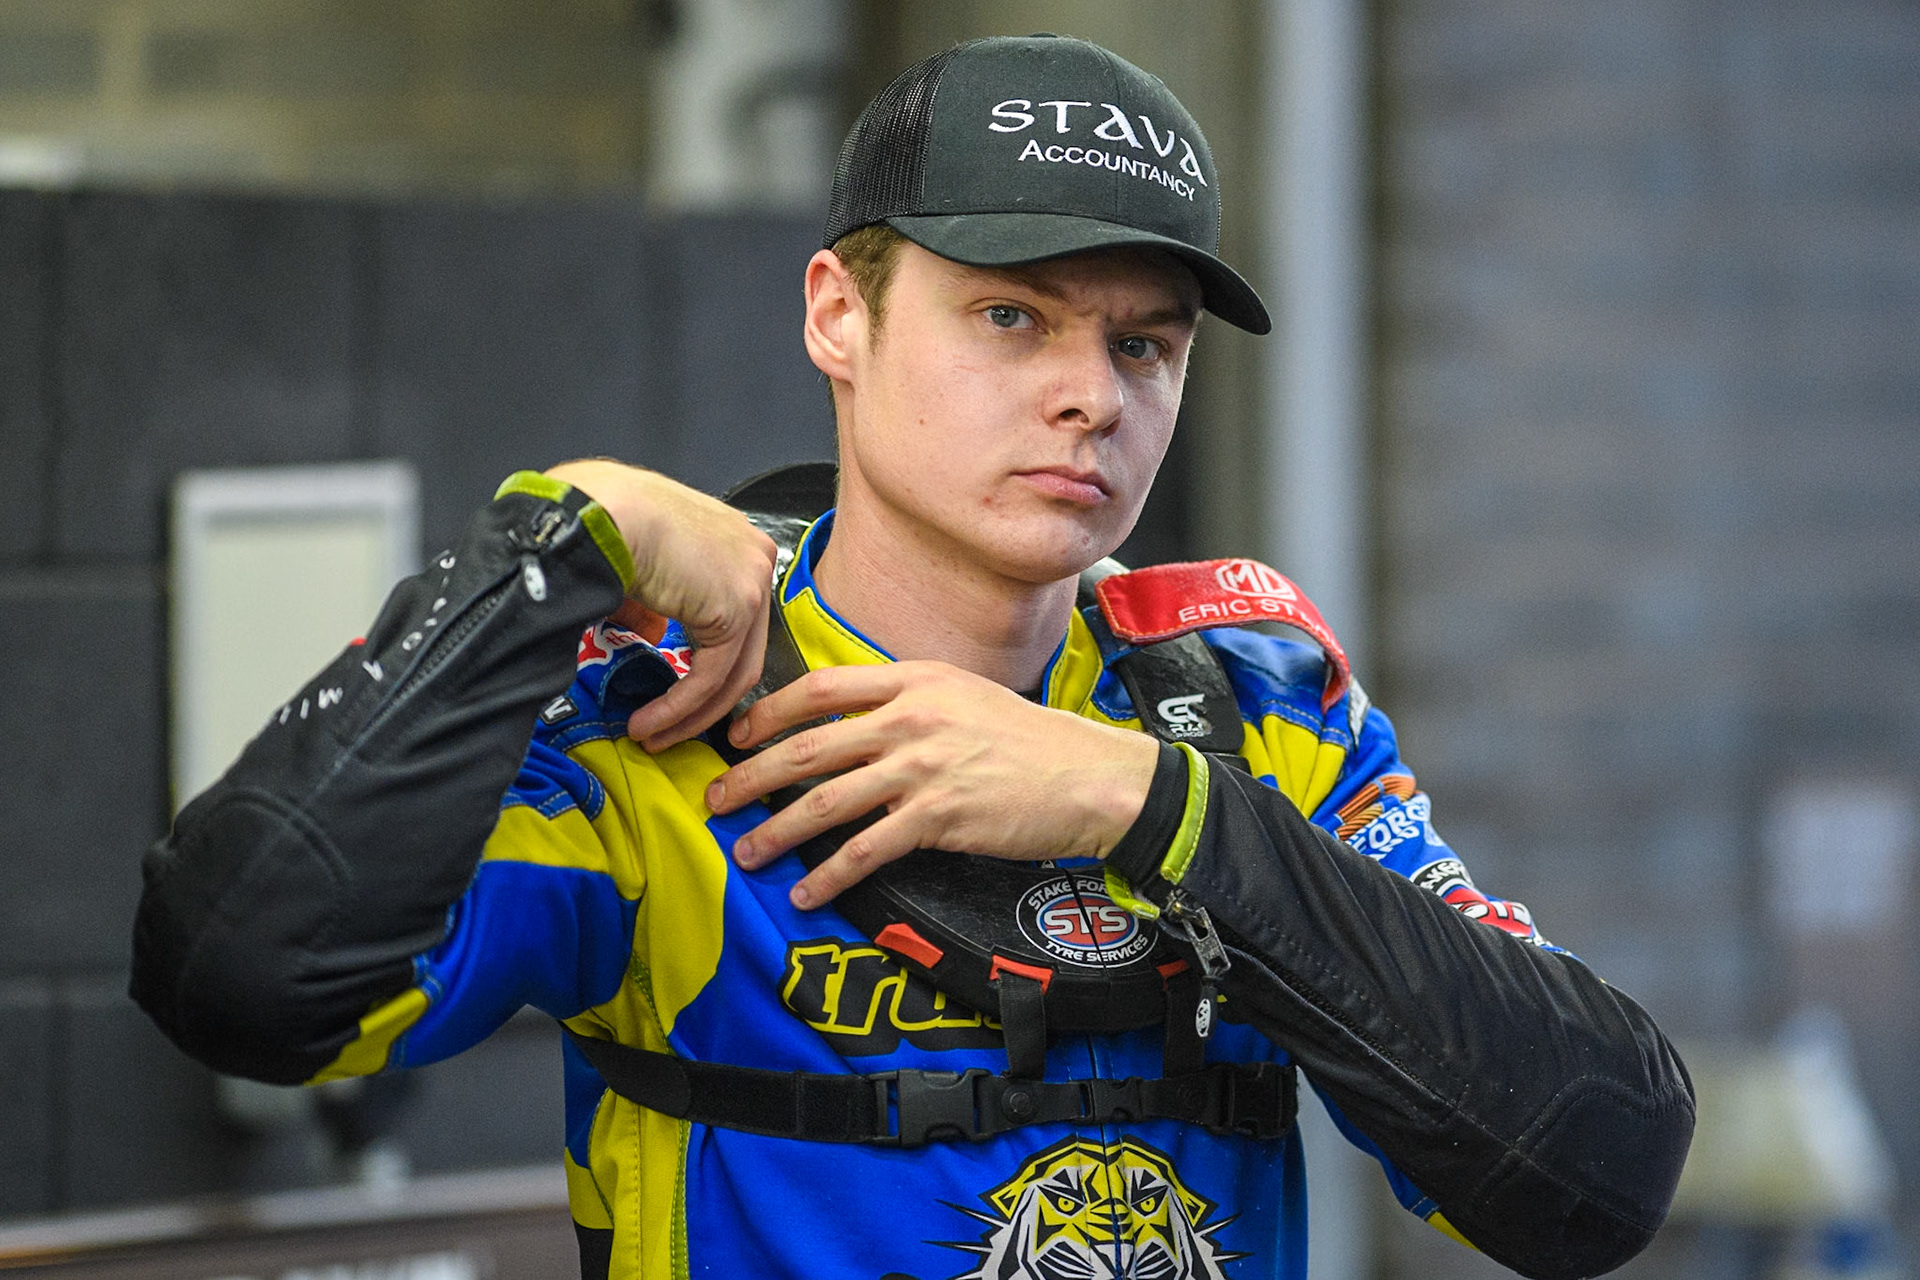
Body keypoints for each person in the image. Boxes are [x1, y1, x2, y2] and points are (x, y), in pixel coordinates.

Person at [132, 34, 1693, 1280]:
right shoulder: (658, 719)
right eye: (1012, 319)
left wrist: (1155, 812)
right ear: (839, 315)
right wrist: (559, 547)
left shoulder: (1247, 700)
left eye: (1142, 342)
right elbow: (238, 982)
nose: (1092, 394)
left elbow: (1600, 1169)